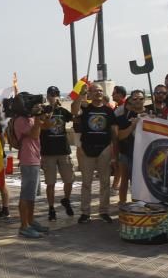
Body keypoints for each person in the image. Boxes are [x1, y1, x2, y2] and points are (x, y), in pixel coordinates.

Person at [72, 83, 119, 224]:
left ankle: (104, 211)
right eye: (95, 91)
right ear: (90, 94)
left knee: (105, 182)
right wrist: (81, 95)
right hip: (87, 148)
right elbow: (74, 111)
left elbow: (114, 132)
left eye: (100, 90)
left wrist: (114, 152)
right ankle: (85, 213)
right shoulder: (85, 108)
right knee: (86, 182)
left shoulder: (108, 110)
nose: (98, 92)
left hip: (104, 148)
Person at [10, 100, 47, 239]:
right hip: (28, 159)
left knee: (31, 195)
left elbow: (47, 127)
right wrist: (37, 118)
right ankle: (24, 226)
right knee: (26, 194)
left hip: (35, 158)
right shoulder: (20, 120)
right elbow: (35, 134)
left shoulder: (30, 118)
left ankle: (30, 221)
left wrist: (45, 114)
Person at [40, 86, 74, 221]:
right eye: (52, 94)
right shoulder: (43, 111)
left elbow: (73, 117)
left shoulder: (62, 111)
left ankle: (66, 199)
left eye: (56, 94)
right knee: (50, 183)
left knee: (69, 179)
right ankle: (51, 208)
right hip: (48, 152)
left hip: (63, 150)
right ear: (47, 96)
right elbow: (41, 125)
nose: (54, 96)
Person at [115, 90, 146, 207]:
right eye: (135, 99)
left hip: (145, 156)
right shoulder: (124, 117)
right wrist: (133, 125)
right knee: (124, 181)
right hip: (127, 153)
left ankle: (139, 205)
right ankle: (123, 205)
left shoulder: (152, 114)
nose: (138, 101)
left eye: (141, 99)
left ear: (144, 100)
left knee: (140, 183)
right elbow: (120, 136)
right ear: (131, 100)